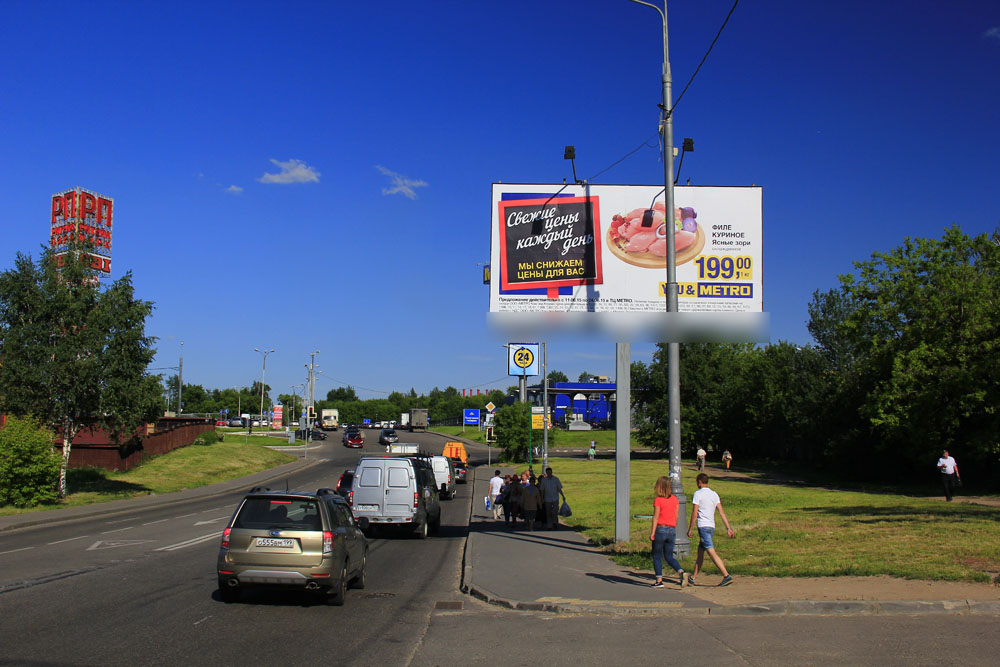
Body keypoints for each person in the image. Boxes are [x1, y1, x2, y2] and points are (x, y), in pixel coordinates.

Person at [686, 473, 735, 587]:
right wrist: (728, 528)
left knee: (710, 550)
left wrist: (690, 529)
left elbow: (694, 513)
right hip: (711, 526)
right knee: (700, 553)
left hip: (703, 526)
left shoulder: (697, 494)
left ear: (699, 482)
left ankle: (726, 575)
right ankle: (693, 577)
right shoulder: (714, 494)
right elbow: (721, 512)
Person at [649, 476, 686, 588]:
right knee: (669, 556)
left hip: (661, 529)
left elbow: (655, 517)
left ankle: (659, 580)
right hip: (671, 530)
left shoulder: (658, 500)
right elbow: (676, 516)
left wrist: (653, 532)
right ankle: (681, 572)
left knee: (657, 556)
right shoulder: (675, 499)